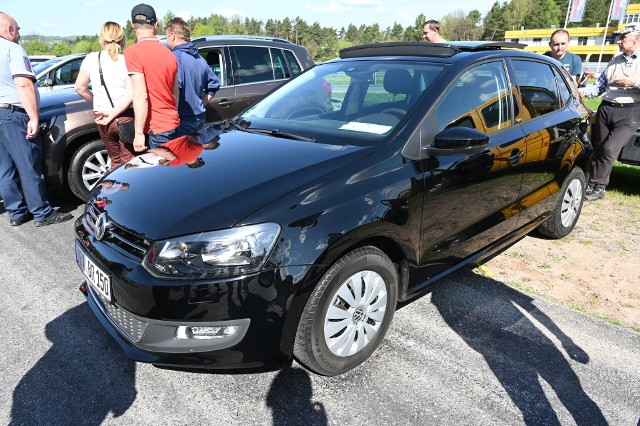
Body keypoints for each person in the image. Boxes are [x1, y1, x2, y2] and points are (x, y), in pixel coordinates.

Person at [0, 12, 72, 227]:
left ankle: (16, 212)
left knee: (4, 169)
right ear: (9, 30)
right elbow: (23, 83)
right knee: (28, 166)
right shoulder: (12, 49)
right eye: (18, 29)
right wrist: (33, 117)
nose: (20, 33)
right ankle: (42, 213)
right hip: (14, 115)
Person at [579, 23, 640, 201]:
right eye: (619, 38)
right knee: (600, 150)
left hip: (631, 111)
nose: (618, 42)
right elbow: (600, 86)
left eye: (623, 38)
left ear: (636, 39)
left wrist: (633, 84)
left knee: (610, 148)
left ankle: (593, 184)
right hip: (606, 107)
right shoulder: (615, 60)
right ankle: (599, 188)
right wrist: (580, 91)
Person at [75, 21, 135, 170]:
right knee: (130, 162)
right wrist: (114, 112)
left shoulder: (91, 59)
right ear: (123, 39)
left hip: (102, 117)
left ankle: (116, 191)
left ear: (102, 39)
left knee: (115, 161)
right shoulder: (127, 60)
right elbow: (130, 95)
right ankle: (131, 192)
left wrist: (98, 102)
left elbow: (80, 87)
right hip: (125, 116)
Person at [125, 3, 179, 151]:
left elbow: (141, 95)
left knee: (158, 173)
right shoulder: (169, 53)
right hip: (173, 123)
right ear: (155, 25)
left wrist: (138, 133)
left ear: (132, 25)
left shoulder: (133, 52)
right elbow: (175, 93)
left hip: (156, 130)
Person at [165, 17, 220, 137]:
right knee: (196, 154)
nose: (167, 40)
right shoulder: (200, 59)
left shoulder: (174, 58)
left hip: (182, 120)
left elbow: (174, 91)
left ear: (173, 35)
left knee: (181, 155)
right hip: (199, 118)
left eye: (167, 36)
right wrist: (201, 104)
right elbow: (214, 84)